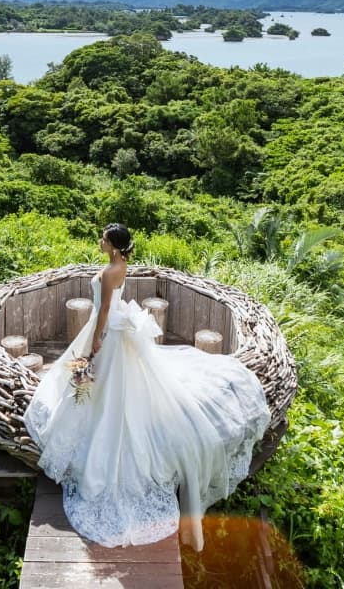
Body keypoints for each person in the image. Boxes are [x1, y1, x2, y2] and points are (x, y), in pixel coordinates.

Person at [22, 223, 272, 550]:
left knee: (105, 387)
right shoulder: (119, 265)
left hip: (107, 332)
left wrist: (95, 340)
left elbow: (106, 311)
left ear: (112, 245)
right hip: (111, 328)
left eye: (103, 238)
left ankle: (98, 433)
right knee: (105, 387)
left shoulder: (112, 270)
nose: (99, 241)